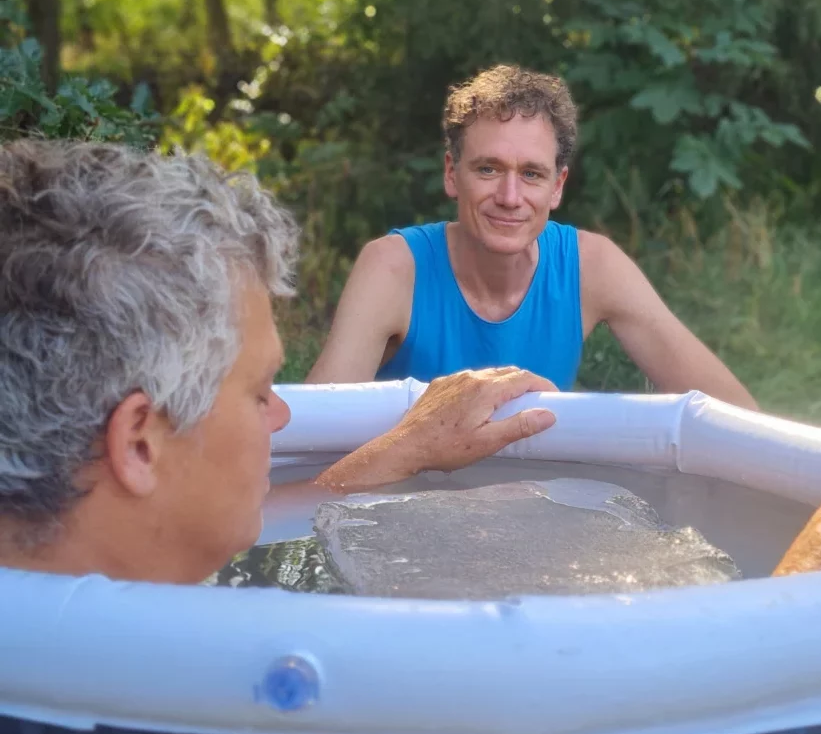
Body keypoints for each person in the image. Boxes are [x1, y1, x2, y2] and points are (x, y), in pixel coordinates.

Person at [0, 139, 556, 587]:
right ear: (140, 444)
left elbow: (262, 511)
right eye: (259, 392)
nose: (282, 414)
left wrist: (411, 447)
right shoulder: (179, 678)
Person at [307, 63, 757, 409]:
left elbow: (733, 413)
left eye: (531, 174)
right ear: (451, 173)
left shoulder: (590, 266)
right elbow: (312, 433)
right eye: (488, 169)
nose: (509, 197)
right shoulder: (393, 268)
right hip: (401, 495)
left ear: (557, 187)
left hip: (533, 497)